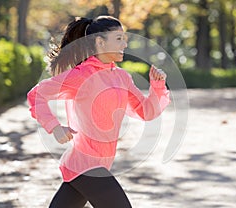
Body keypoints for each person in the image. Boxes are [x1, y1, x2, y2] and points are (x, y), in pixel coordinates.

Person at [27, 15, 170, 208]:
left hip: (98, 163)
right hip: (86, 164)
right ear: (100, 42)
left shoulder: (121, 77)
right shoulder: (81, 75)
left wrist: (158, 86)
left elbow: (145, 111)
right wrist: (55, 127)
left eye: (124, 38)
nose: (125, 44)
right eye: (118, 38)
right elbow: (37, 95)